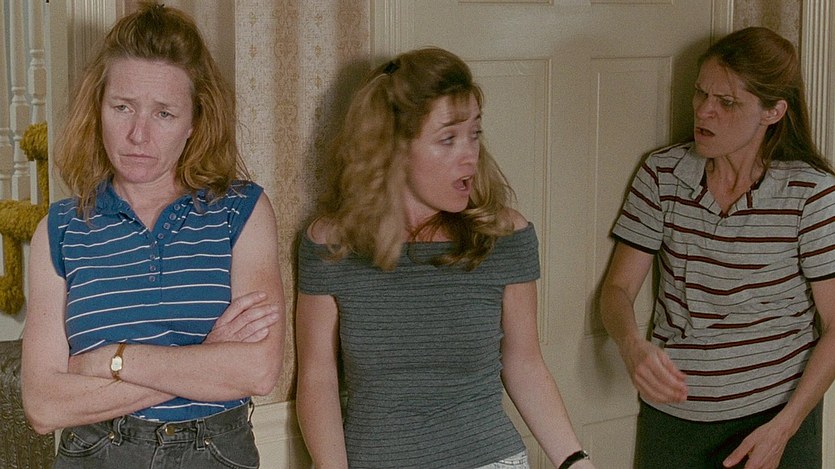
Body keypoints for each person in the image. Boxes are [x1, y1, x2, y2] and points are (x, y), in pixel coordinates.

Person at [295, 47, 594, 469]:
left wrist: (575, 461)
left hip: (491, 459)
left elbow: (524, 363)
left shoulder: (504, 236)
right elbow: (318, 379)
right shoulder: (332, 245)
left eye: (475, 133)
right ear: (393, 149)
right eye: (448, 138)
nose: (470, 154)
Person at [20, 2, 285, 467]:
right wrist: (206, 357)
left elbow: (258, 370)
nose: (138, 135)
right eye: (122, 107)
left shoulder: (241, 211)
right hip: (96, 453)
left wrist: (112, 360)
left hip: (215, 453)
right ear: (98, 108)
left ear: (194, 122)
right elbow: (44, 407)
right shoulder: (59, 230)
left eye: (164, 114)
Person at [600, 27, 835, 469]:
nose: (703, 110)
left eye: (727, 102)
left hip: (775, 419)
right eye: (700, 93)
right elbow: (617, 289)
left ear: (773, 111)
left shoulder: (811, 193)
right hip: (675, 418)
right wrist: (631, 346)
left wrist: (785, 428)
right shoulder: (662, 174)